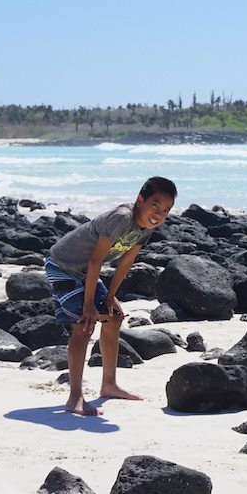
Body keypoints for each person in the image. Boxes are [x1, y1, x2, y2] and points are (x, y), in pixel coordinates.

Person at [44, 176, 177, 416]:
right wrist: (88, 304)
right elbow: (96, 259)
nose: (159, 213)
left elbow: (126, 261)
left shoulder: (146, 229)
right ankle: (75, 397)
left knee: (113, 318)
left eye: (166, 210)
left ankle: (109, 385)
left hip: (85, 271)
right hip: (62, 265)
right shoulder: (122, 218)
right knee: (84, 324)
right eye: (154, 205)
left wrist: (110, 297)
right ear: (140, 201)